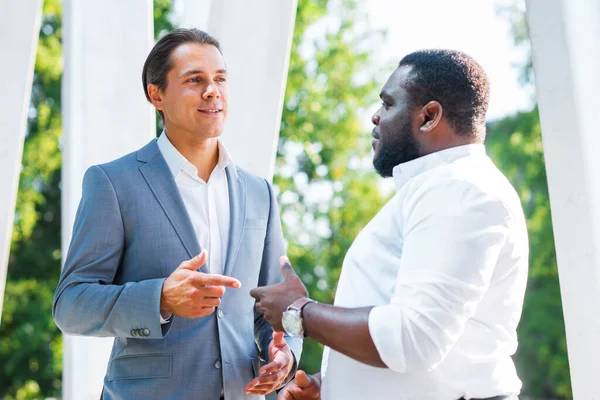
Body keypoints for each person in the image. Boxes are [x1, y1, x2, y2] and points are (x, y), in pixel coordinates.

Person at [250, 49, 529, 400]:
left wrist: (299, 312)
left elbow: (412, 339)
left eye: (387, 104)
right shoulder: (438, 188)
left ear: (429, 116)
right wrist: (336, 386)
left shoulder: (459, 189)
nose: (375, 117)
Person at [53, 28, 301, 400]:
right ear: (157, 95)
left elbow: (274, 305)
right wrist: (161, 299)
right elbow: (71, 305)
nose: (212, 90)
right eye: (194, 80)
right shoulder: (112, 183)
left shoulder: (259, 192)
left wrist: (285, 355)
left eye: (220, 79)